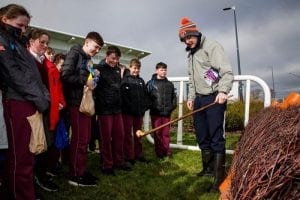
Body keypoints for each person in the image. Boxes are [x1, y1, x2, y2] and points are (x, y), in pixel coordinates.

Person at [178, 17, 234, 192]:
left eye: (190, 37)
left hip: (214, 97)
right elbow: (191, 78)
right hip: (199, 99)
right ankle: (208, 169)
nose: (188, 40)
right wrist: (191, 96)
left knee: (216, 136)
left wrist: (223, 91)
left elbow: (226, 72)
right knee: (202, 135)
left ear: (196, 33)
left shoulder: (212, 46)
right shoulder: (191, 52)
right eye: (185, 39)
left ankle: (219, 178)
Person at [0, 4, 50, 199]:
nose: (23, 30)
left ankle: (19, 191)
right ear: (4, 19)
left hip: (28, 101)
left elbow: (33, 75)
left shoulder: (18, 43)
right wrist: (40, 97)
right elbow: (14, 74)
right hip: (17, 101)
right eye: (19, 25)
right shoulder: (3, 40)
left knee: (27, 154)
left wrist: (43, 95)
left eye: (25, 27)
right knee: (21, 155)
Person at [61, 31, 103, 186]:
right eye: (96, 46)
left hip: (86, 103)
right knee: (79, 140)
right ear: (87, 42)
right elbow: (65, 75)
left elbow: (90, 82)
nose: (97, 50)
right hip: (75, 103)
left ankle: (81, 170)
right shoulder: (74, 53)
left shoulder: (88, 60)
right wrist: (85, 81)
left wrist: (94, 76)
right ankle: (75, 175)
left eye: (99, 49)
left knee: (84, 139)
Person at [94, 45, 131, 176]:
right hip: (104, 110)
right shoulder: (98, 69)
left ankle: (119, 162)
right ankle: (107, 165)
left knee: (119, 137)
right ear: (107, 56)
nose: (115, 61)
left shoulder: (117, 70)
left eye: (117, 59)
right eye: (113, 58)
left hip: (117, 109)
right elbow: (93, 87)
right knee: (105, 139)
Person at [121, 58, 149, 164]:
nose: (136, 70)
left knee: (138, 135)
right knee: (127, 135)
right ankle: (129, 156)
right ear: (130, 67)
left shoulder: (141, 81)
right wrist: (129, 108)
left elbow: (146, 96)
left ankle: (139, 154)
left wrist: (144, 107)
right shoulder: (125, 80)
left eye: (138, 68)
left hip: (139, 113)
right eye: (134, 68)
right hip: (127, 113)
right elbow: (123, 97)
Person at [146, 62, 177, 160]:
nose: (163, 72)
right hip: (156, 113)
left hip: (167, 113)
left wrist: (171, 108)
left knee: (166, 134)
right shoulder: (150, 84)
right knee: (157, 133)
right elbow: (147, 98)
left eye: (165, 70)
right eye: (161, 70)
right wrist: (153, 107)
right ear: (157, 70)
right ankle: (159, 153)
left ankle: (167, 151)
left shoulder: (170, 84)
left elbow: (174, 98)